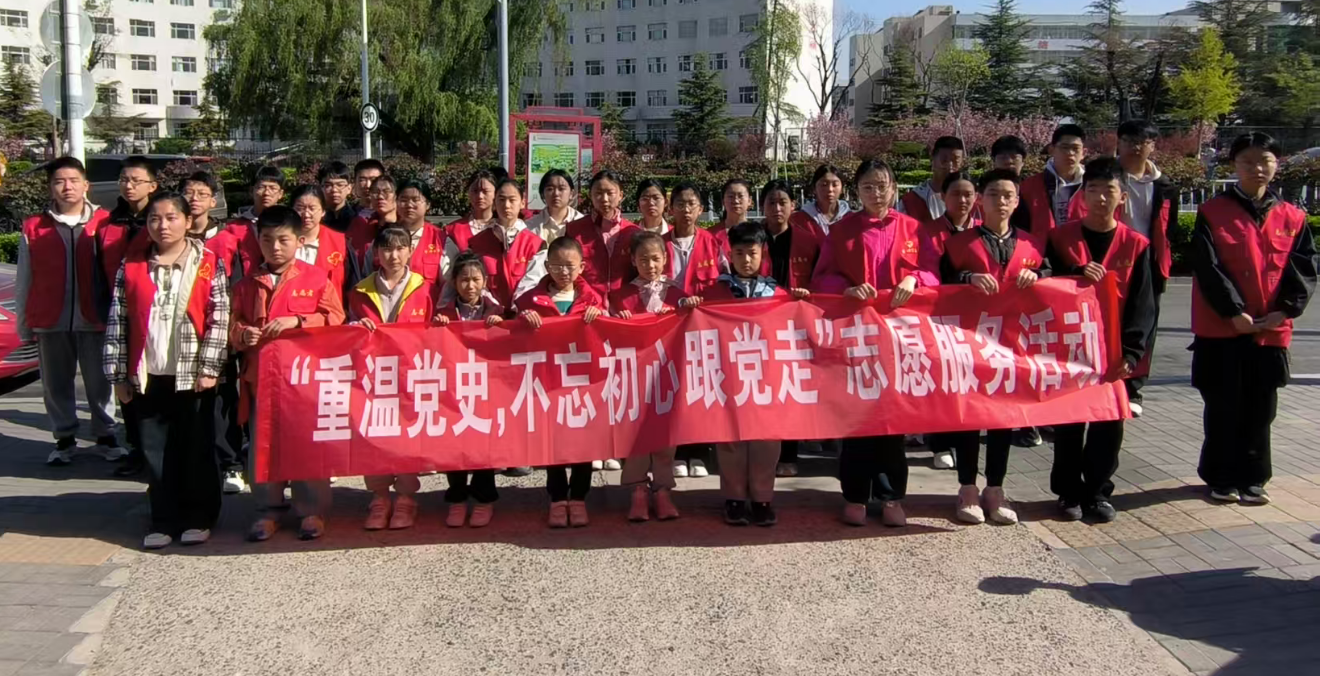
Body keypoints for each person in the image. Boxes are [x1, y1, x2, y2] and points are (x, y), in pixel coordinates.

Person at [1190, 132, 1316, 506]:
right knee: (1223, 406)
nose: (1257, 168)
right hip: (1222, 329)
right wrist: (1233, 312)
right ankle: (1220, 477)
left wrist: (1285, 310)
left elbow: (1303, 269)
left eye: (1265, 160)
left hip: (1270, 330)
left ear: (1277, 165)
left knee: (1261, 409)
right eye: (1247, 161)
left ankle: (1254, 478)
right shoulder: (1212, 212)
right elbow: (1208, 267)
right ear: (1235, 165)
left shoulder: (1293, 216)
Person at [812, 160, 937, 528]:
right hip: (858, 336)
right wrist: (847, 288)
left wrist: (914, 279)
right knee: (857, 418)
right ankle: (854, 494)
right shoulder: (842, 231)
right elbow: (823, 277)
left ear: (894, 188)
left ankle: (891, 495)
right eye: (868, 186)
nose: (876, 193)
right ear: (857, 191)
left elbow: (933, 271)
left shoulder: (913, 228)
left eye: (882, 185)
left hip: (901, 337)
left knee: (893, 420)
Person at [103, 192, 229, 549]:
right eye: (154, 218)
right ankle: (162, 518)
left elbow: (220, 317)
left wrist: (209, 367)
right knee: (155, 451)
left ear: (188, 221)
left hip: (193, 374)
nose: (162, 225)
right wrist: (118, 376)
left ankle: (199, 516)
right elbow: (117, 320)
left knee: (196, 447)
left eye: (171, 217)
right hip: (148, 373)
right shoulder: (132, 265)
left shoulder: (208, 262)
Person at [938, 169, 1053, 526]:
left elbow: (1053, 279)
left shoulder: (1033, 246)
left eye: (1007, 196)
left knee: (1004, 418)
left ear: (1017, 202)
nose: (1000, 202)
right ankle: (967, 487)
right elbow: (939, 281)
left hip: (1013, 345)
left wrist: (1039, 275)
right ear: (979, 200)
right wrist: (967, 278)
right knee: (970, 417)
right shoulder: (958, 244)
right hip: (970, 343)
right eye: (993, 194)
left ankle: (996, 488)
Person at [1046, 157, 1157, 523]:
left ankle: (1097, 492)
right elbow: (1045, 282)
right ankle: (1068, 492)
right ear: (1082, 195)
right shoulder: (1060, 239)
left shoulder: (1136, 245)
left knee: (1108, 425)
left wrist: (1133, 353)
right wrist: (1074, 272)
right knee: (1069, 424)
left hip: (1113, 352)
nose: (1100, 198)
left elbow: (1144, 304)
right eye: (1092, 190)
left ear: (1122, 196)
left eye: (1109, 190)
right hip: (1070, 350)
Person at [230, 206, 345, 541]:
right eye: (267, 240)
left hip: (304, 380)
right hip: (261, 378)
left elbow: (336, 319)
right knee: (264, 446)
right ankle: (268, 510)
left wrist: (298, 321)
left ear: (299, 241)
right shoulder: (246, 284)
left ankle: (312, 510)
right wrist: (243, 334)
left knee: (306, 444)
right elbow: (231, 324)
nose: (275, 247)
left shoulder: (316, 278)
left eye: (283, 240)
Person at [16, 157, 119, 466]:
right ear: (51, 188)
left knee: (100, 381)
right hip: (51, 317)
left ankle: (106, 435)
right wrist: (24, 323)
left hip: (95, 317)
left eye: (73, 180)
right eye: (59, 181)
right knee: (55, 382)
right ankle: (63, 439)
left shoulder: (105, 222)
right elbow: (24, 278)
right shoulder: (34, 227)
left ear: (86, 185)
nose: (67, 187)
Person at [691, 222, 796, 526]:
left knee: (767, 437)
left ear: (763, 254)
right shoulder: (714, 292)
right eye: (739, 253)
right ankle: (734, 498)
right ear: (729, 254)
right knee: (730, 437)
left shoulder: (778, 293)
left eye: (752, 253)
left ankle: (762, 498)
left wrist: (801, 301)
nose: (746, 260)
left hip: (766, 378)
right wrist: (690, 306)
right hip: (728, 376)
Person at [347, 227, 439, 530]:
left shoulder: (425, 288)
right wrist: (355, 327)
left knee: (408, 438)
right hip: (373, 377)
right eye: (387, 249)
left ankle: (406, 498)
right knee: (373, 437)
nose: (394, 255)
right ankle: (379, 497)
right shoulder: (360, 291)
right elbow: (345, 329)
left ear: (410, 251)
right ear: (376, 253)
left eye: (400, 248)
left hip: (411, 375)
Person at [515, 237, 605, 528]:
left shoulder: (593, 299)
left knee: (583, 442)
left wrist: (600, 316)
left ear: (582, 267)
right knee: (552, 441)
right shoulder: (530, 300)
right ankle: (556, 497)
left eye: (569, 266)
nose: (563, 272)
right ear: (546, 265)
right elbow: (511, 333)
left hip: (582, 382)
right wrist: (522, 319)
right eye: (556, 266)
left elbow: (609, 332)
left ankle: (578, 497)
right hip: (548, 382)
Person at [609, 231, 692, 522]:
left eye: (655, 259)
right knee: (635, 435)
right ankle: (638, 490)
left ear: (665, 259)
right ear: (633, 261)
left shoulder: (678, 295)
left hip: (667, 375)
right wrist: (618, 322)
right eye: (643, 259)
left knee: (666, 435)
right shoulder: (620, 297)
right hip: (634, 377)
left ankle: (663, 489)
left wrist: (689, 309)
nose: (650, 265)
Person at [183, 171, 247, 494]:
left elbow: (238, 288)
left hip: (220, 331)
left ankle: (231, 463)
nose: (194, 198)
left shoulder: (227, 239)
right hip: (182, 335)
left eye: (201, 193)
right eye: (188, 192)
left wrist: (231, 331)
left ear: (213, 200)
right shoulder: (170, 238)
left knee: (224, 398)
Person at [96, 156, 159, 475]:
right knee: (127, 386)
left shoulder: (161, 220)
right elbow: (97, 271)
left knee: (154, 385)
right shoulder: (109, 224)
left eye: (136, 180)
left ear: (153, 185)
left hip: (155, 315)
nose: (129, 185)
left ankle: (158, 451)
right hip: (120, 315)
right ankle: (136, 448)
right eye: (124, 179)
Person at [435, 252, 505, 527]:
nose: (470, 285)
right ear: (454, 282)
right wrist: (437, 328)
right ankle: (457, 498)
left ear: (485, 281)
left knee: (483, 446)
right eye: (464, 280)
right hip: (453, 388)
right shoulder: (443, 312)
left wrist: (501, 326)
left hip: (486, 387)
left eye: (476, 279)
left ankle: (484, 499)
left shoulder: (497, 310)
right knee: (454, 445)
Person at [916, 171, 980, 472]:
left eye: (968, 194)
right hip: (939, 316)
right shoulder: (927, 232)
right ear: (942, 197)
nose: (962, 200)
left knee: (969, 380)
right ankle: (940, 443)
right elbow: (925, 270)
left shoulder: (982, 230)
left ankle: (964, 441)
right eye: (955, 194)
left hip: (975, 318)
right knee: (942, 380)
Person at [759, 179, 823, 478]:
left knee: (791, 389)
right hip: (760, 325)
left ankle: (789, 454)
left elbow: (822, 279)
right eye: (771, 202)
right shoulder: (752, 239)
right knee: (764, 389)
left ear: (793, 206)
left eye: (782, 202)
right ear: (762, 206)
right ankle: (764, 453)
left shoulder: (809, 241)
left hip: (796, 326)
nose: (777, 208)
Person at [1112, 120, 1176, 414]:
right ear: (1119, 143)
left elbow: (1169, 228)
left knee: (1144, 325)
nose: (1135, 147)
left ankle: (1134, 388)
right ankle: (1108, 382)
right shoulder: (1107, 176)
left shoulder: (1164, 185)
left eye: (1143, 142)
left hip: (1148, 261)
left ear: (1152, 146)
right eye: (1129, 141)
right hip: (1112, 257)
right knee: (1109, 322)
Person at [663, 181, 721, 478]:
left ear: (700, 209)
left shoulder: (713, 243)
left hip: (703, 329)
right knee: (674, 389)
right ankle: (678, 452)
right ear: (670, 208)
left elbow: (724, 282)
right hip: (669, 327)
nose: (686, 209)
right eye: (680, 204)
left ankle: (699, 452)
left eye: (691, 204)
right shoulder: (659, 244)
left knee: (701, 389)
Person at [464, 178, 547, 309]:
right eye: (501, 200)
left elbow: (533, 281)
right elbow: (475, 280)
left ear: (522, 203)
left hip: (524, 312)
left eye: (512, 200)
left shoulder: (535, 244)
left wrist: (517, 308)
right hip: (487, 313)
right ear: (494, 203)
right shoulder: (477, 243)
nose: (506, 205)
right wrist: (493, 307)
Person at [564, 170, 642, 300]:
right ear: (590, 195)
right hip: (586, 304)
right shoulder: (574, 230)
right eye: (598, 193)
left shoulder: (633, 232)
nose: (604, 199)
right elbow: (567, 269)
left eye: (610, 193)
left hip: (624, 305)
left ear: (620, 195)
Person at [210, 165, 285, 285]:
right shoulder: (235, 228)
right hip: (245, 288)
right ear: (251, 191)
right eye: (261, 187)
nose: (267, 193)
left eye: (272, 188)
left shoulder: (289, 224)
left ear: (281, 194)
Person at [1019, 124, 1087, 237]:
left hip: (1081, 246)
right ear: (1051, 149)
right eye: (1064, 147)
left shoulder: (1092, 185)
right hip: (1039, 246)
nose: (1070, 153)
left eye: (1075, 149)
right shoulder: (1029, 187)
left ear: (1083, 153)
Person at [289, 184, 349, 296]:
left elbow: (350, 283)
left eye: (312, 208)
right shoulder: (282, 240)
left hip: (328, 304)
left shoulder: (340, 242)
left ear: (323, 211)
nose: (306, 214)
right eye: (300, 208)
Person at [898, 136, 965, 223]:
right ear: (932, 160)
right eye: (944, 160)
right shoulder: (913, 200)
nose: (950, 165)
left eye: (956, 160)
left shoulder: (970, 199)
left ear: (962, 163)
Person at [345, 175, 401, 280]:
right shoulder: (360, 225)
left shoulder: (406, 227)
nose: (380, 196)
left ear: (396, 196)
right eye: (375, 192)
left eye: (386, 191)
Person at [444, 169, 499, 257]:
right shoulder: (452, 230)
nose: (480, 196)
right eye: (475, 191)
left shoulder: (505, 228)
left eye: (485, 191)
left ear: (496, 193)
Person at [526, 169, 584, 242]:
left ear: (571, 194)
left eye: (561, 189)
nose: (556, 193)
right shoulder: (529, 226)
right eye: (550, 189)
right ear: (542, 194)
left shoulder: (582, 222)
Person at [800, 164, 851, 235]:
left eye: (835, 185)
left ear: (842, 189)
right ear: (814, 188)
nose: (830, 189)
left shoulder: (850, 218)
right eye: (824, 185)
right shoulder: (801, 219)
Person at [709, 178, 752, 251]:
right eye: (731, 196)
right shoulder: (710, 234)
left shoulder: (758, 233)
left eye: (740, 196)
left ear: (749, 201)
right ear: (723, 201)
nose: (736, 201)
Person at [318, 161, 358, 233]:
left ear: (349, 188)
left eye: (340, 185)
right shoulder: (315, 218)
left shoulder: (356, 219)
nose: (334, 190)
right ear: (320, 188)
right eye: (328, 185)